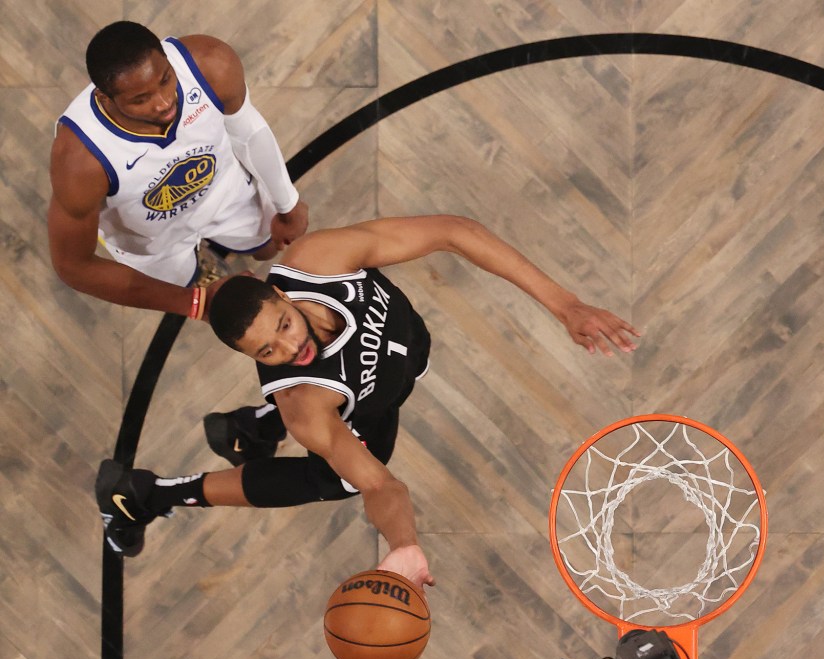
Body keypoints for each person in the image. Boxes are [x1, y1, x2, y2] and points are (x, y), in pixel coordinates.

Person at [95, 214, 641, 589]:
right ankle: (151, 493)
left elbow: (453, 232)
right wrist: (403, 546)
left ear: (284, 294)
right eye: (268, 351)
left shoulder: (318, 261)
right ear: (250, 357)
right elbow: (380, 485)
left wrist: (566, 306)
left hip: (402, 361)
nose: (292, 348)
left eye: (284, 325)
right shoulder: (307, 404)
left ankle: (251, 430)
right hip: (366, 406)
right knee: (336, 478)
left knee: (336, 435)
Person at [48, 21, 307, 459]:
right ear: (106, 99)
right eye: (140, 99)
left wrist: (287, 201)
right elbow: (73, 266)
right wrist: (191, 305)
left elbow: (249, 131)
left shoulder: (209, 62)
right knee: (193, 287)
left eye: (165, 80)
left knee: (267, 245)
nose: (164, 101)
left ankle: (229, 257)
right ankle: (201, 276)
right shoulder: (80, 160)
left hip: (223, 193)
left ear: (168, 62)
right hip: (153, 243)